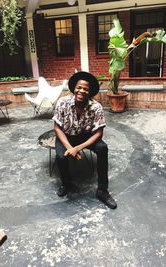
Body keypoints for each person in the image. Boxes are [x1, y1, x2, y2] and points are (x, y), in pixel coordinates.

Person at [53, 71, 117, 209]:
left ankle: (102, 190)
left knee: (102, 148)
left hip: (85, 135)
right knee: (61, 157)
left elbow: (99, 133)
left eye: (86, 89)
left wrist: (78, 148)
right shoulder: (62, 103)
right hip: (66, 136)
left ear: (90, 92)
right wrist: (70, 147)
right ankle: (66, 183)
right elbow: (57, 128)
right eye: (79, 87)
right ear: (74, 88)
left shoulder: (96, 107)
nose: (81, 91)